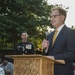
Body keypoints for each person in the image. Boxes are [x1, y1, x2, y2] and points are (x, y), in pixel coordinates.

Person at [42, 6, 75, 75]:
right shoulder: (49, 35)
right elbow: (48, 55)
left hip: (64, 72)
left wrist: (54, 57)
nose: (51, 19)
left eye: (54, 16)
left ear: (62, 17)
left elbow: (72, 54)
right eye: (51, 17)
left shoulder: (70, 32)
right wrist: (46, 49)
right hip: (49, 71)